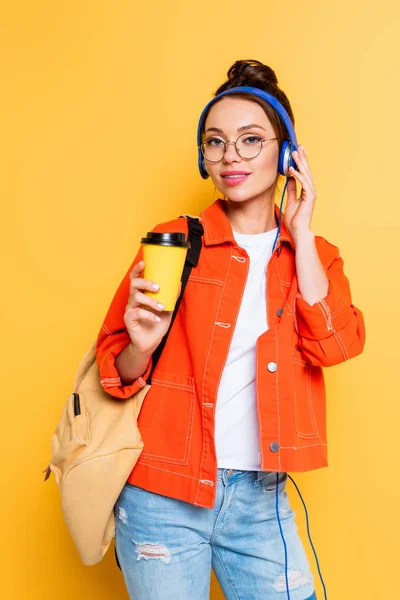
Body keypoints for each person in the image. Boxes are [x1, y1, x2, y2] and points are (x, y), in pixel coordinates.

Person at [96, 59, 365, 600]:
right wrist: (140, 348)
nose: (230, 157)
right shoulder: (175, 241)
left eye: (250, 140)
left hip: (259, 501)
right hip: (160, 495)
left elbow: (335, 345)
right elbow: (114, 368)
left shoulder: (316, 257)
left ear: (287, 153)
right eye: (215, 142)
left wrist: (302, 232)